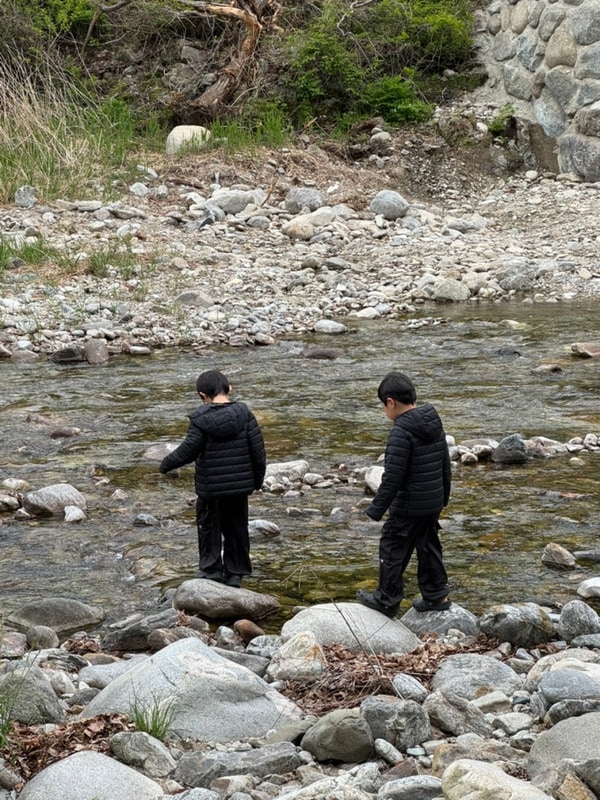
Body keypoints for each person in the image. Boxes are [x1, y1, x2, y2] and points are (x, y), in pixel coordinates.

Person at [159, 369, 266, 588]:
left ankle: (211, 569)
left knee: (209, 526)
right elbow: (258, 451)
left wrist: (166, 464)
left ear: (202, 395)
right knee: (237, 528)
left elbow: (188, 450)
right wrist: (257, 481)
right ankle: (235, 573)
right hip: (238, 488)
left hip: (210, 489)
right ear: (229, 389)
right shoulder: (244, 414)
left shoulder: (201, 419)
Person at [356, 371, 452, 617]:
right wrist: (443, 497)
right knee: (428, 545)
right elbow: (444, 463)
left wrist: (376, 509)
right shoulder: (432, 420)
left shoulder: (401, 431)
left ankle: (386, 599)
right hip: (431, 501)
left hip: (408, 505)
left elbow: (393, 477)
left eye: (383, 405)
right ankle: (436, 595)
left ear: (390, 402)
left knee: (392, 546)